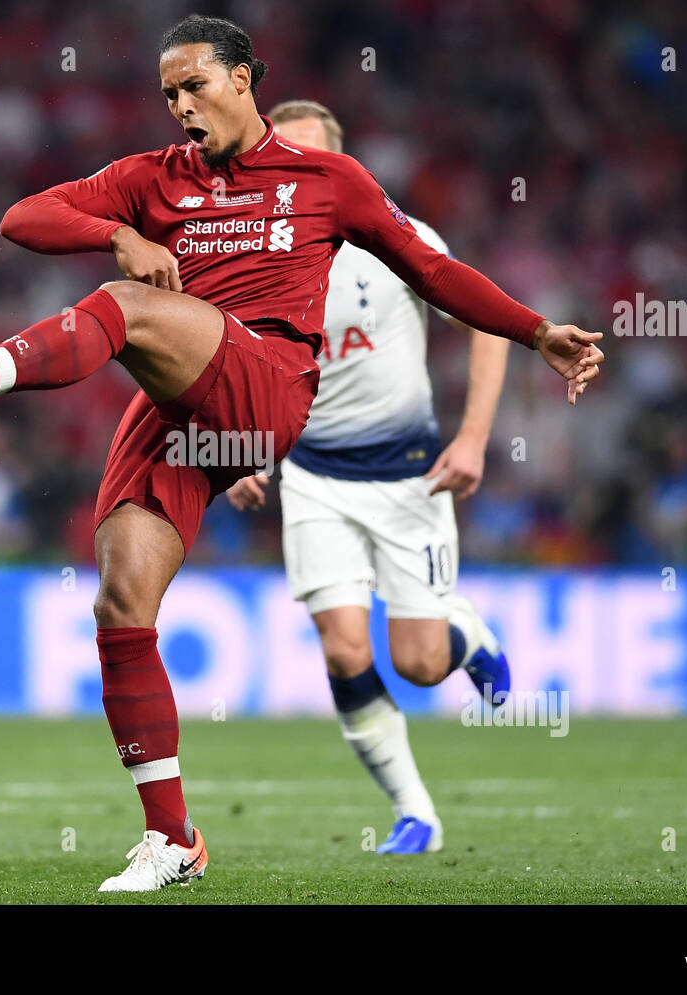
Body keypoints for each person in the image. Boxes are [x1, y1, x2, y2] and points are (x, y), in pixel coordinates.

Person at [0, 15, 603, 892]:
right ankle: (173, 837)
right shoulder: (153, 180)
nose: (182, 107)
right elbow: (22, 217)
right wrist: (120, 232)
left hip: (268, 386)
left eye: (196, 87)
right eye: (169, 94)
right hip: (184, 403)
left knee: (124, 307)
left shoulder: (329, 182)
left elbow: (433, 272)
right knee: (120, 601)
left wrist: (537, 333)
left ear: (244, 80)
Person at [227, 100, 512, 855]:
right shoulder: (248, 261)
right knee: (344, 649)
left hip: (409, 477)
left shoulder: (402, 240)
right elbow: (230, 367)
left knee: (419, 663)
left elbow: (485, 320)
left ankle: (467, 632)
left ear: (344, 169)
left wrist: (475, 437)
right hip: (315, 476)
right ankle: (414, 810)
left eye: (314, 157)